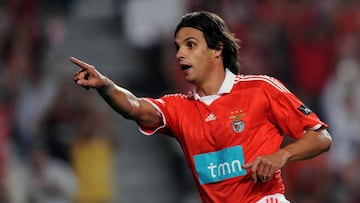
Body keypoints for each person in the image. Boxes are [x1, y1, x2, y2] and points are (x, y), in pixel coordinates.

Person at [70, 11, 332, 203]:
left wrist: (282, 155)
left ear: (217, 49)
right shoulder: (179, 108)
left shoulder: (261, 89)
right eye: (178, 47)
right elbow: (135, 108)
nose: (180, 54)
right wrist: (105, 86)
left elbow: (320, 137)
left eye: (190, 45)